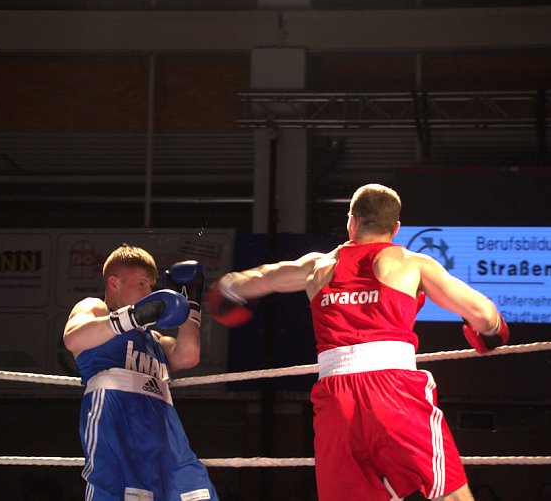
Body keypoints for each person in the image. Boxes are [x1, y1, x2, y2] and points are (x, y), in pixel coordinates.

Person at [204, 183, 509, 501]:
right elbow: (483, 313)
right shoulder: (411, 263)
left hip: (335, 398)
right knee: (450, 495)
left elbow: (257, 278)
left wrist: (227, 290)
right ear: (396, 228)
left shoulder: (317, 266)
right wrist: (489, 333)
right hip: (395, 392)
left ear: (352, 221)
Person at [63, 243, 218, 501]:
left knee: (194, 493)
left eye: (151, 286)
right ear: (114, 283)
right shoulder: (96, 309)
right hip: (116, 413)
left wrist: (191, 302)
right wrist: (131, 317)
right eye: (142, 284)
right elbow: (73, 337)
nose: (149, 292)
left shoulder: (152, 338)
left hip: (163, 422)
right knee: (119, 492)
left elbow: (187, 355)